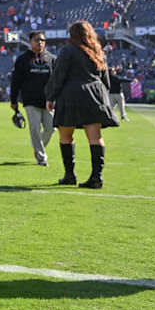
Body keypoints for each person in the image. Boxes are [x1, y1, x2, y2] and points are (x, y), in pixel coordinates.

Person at [44, 20, 118, 189]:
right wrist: (102, 95)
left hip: (71, 95)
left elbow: (59, 75)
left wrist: (51, 97)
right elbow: (105, 78)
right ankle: (96, 177)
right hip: (95, 95)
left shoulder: (68, 50)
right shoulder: (97, 51)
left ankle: (70, 175)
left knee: (66, 135)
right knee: (95, 137)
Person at [9, 31, 56, 166]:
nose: (40, 42)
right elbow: (16, 81)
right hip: (30, 100)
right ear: (30, 42)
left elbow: (57, 80)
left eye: (42, 40)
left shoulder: (52, 59)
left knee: (51, 128)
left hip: (48, 101)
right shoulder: (22, 59)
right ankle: (41, 158)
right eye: (36, 40)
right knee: (34, 129)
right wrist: (13, 101)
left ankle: (37, 148)